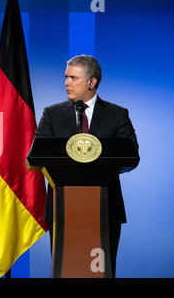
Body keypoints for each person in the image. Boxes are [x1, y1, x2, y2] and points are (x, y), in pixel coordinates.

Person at [34, 55, 139, 277]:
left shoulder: (117, 114)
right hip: (62, 210)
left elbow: (131, 155)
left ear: (92, 82)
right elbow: (38, 155)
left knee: (102, 271)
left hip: (105, 209)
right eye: (66, 77)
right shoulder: (51, 114)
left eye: (73, 77)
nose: (66, 82)